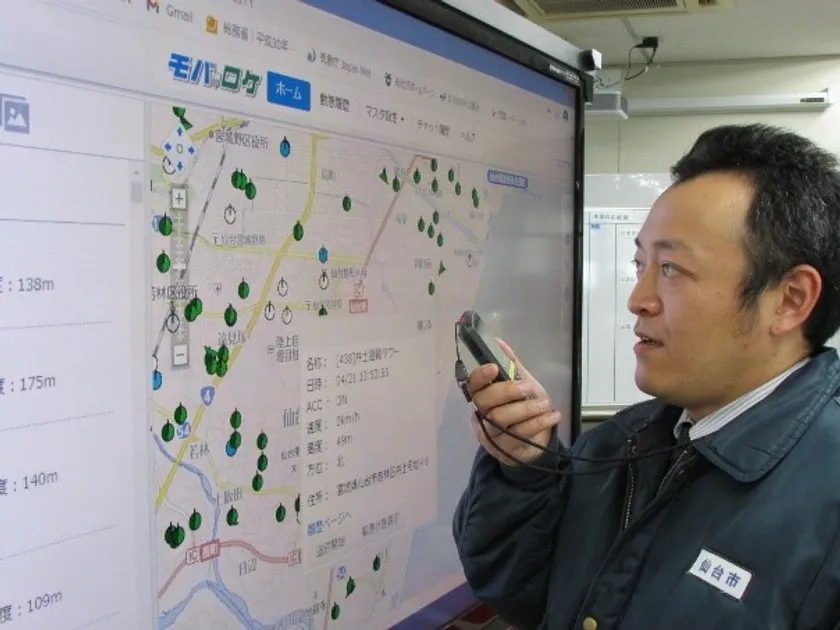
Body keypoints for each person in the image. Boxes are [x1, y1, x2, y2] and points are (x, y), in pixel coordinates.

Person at [452, 123, 840, 630]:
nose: (638, 299)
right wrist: (524, 469)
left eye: (672, 269)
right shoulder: (621, 444)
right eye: (641, 265)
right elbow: (523, 596)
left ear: (790, 300)